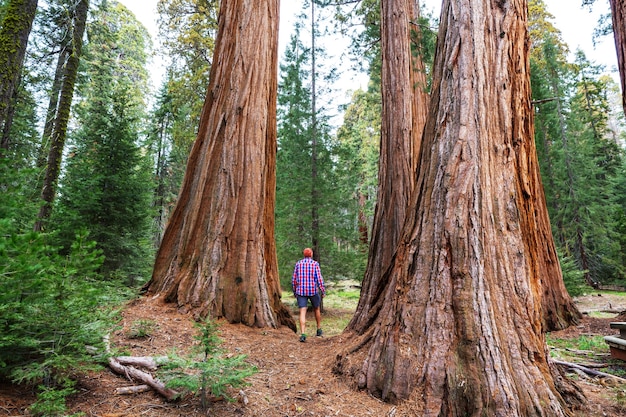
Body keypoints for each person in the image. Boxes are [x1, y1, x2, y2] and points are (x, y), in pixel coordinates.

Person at [292, 247, 326, 342]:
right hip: (312, 291)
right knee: (316, 308)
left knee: (302, 311)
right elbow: (319, 279)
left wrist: (295, 291)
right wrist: (323, 290)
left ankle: (303, 334)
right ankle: (319, 329)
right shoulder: (315, 264)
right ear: (311, 254)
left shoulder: (298, 264)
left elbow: (294, 279)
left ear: (304, 254)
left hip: (301, 291)